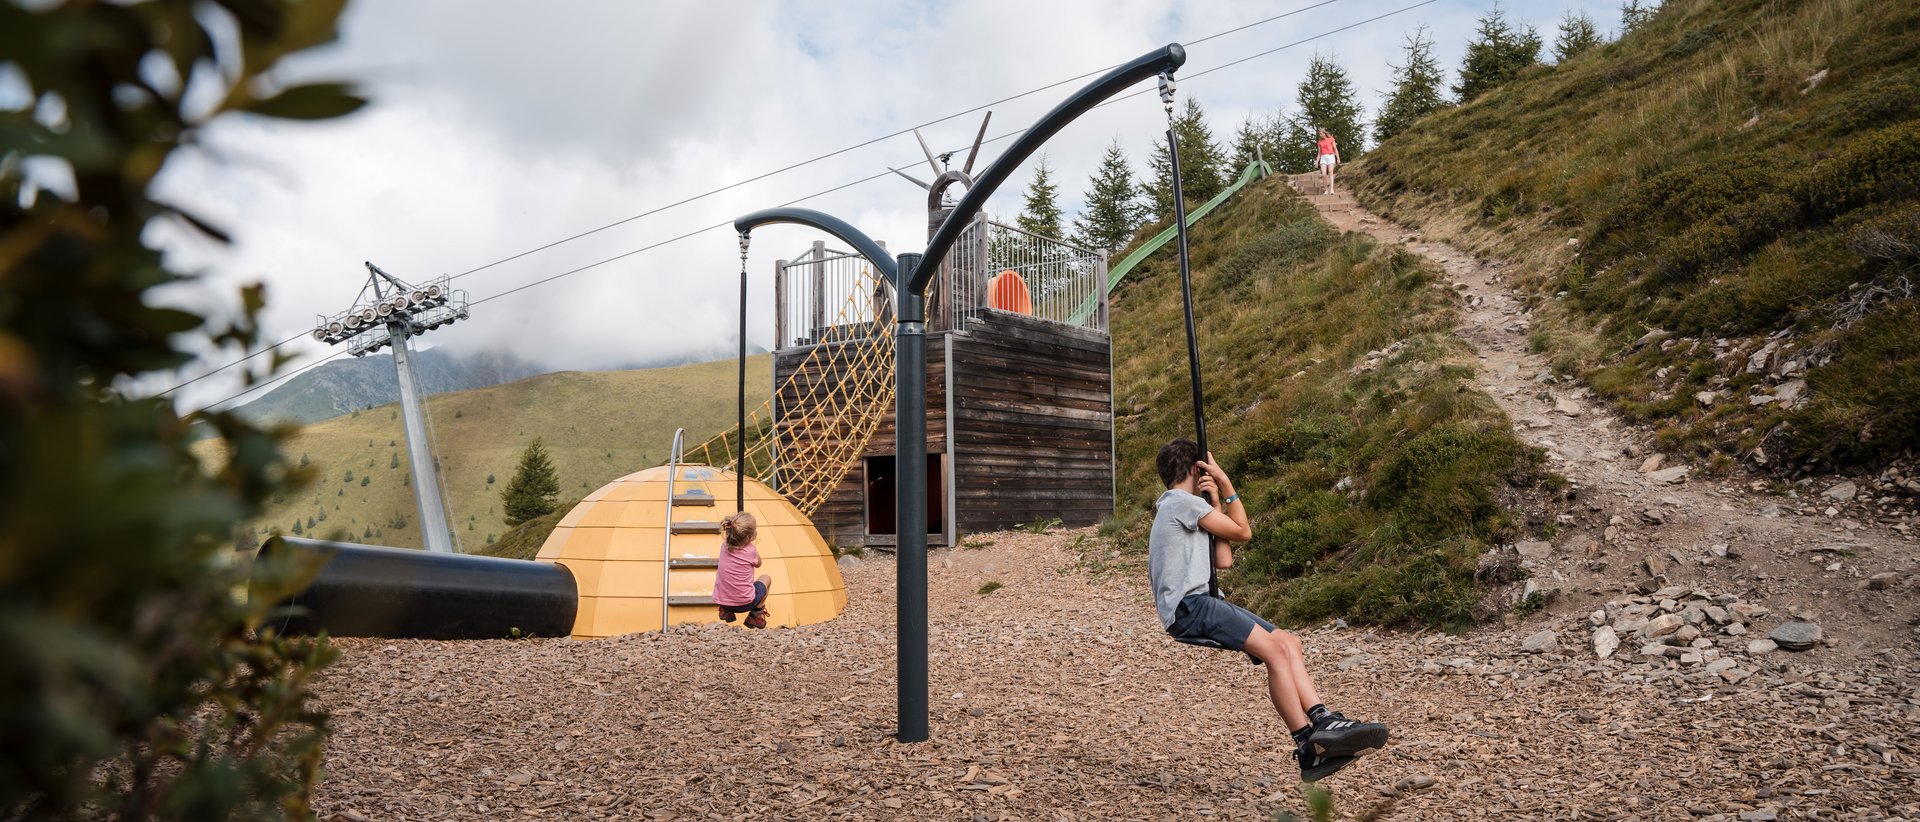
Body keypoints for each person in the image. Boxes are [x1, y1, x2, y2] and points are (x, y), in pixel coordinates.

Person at [1149, 438, 1388, 782]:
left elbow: (1224, 560)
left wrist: (1214, 502)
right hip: (1191, 606)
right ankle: (1307, 745)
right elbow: (1244, 532)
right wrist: (1227, 486)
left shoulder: (1185, 507)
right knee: (1276, 653)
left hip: (1203, 601)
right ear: (1196, 469)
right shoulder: (1181, 503)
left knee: (1288, 642)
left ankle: (1322, 718)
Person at [713, 511, 771, 629]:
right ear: (750, 536)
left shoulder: (724, 546)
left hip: (723, 601)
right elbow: (759, 564)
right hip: (746, 603)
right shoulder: (751, 551)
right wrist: (752, 547)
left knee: (727, 582)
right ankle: (755, 616)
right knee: (766, 578)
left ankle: (725, 611)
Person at [1315, 128, 1341, 195]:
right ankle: (1326, 190)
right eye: (1319, 134)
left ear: (1324, 133)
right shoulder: (1320, 142)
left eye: (1321, 134)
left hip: (1331, 156)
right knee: (1324, 174)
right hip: (1323, 157)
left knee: (1330, 172)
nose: (1320, 135)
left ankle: (1331, 189)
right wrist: (1317, 161)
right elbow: (1319, 153)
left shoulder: (1331, 139)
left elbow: (1335, 149)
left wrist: (1338, 158)